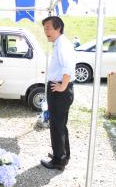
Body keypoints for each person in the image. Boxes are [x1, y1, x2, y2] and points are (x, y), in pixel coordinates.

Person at [40, 16, 75, 171]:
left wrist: (62, 86)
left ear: (58, 28)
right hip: (59, 89)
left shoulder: (62, 44)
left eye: (48, 28)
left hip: (59, 91)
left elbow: (68, 67)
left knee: (56, 126)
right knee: (60, 125)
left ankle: (58, 161)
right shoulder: (59, 43)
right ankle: (62, 154)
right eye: (44, 28)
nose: (46, 31)